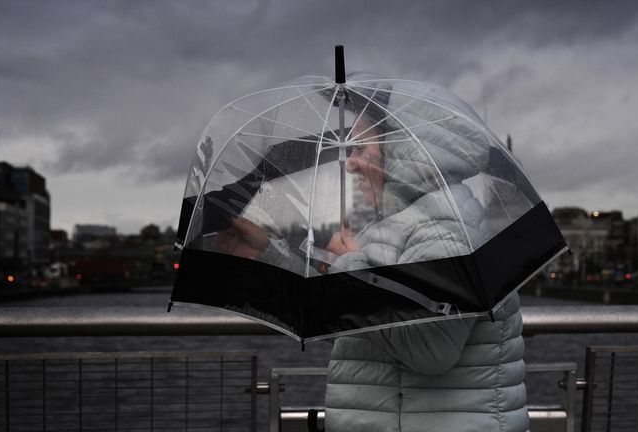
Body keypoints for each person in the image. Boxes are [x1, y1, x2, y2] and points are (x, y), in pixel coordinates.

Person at [214, 94, 530, 432]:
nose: (350, 163)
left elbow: (431, 348)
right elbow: (359, 315)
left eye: (361, 149)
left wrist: (346, 266)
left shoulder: (444, 227)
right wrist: (269, 256)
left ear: (399, 154)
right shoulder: (399, 222)